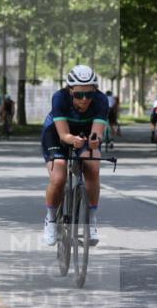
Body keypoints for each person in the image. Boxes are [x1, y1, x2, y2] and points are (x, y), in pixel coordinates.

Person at [41, 64, 109, 247]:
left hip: (84, 135)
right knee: (58, 177)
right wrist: (71, 140)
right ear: (69, 90)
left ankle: (91, 220)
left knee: (93, 167)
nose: (85, 99)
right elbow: (63, 135)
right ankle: (51, 219)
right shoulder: (59, 98)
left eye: (89, 94)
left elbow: (97, 132)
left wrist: (95, 141)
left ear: (95, 90)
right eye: (79, 94)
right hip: (57, 134)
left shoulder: (102, 100)